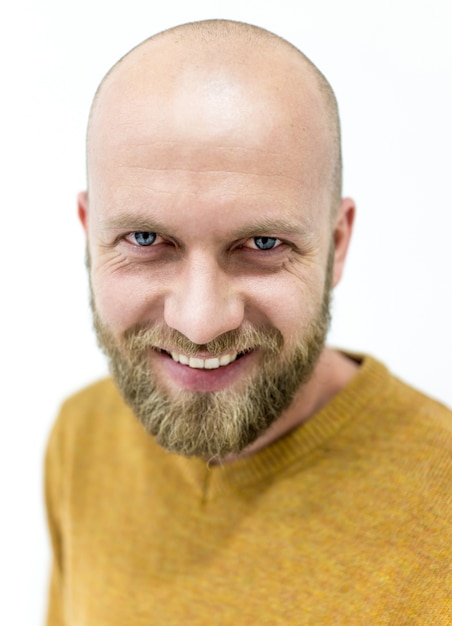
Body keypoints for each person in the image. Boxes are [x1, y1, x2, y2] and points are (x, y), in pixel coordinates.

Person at [45, 19, 452, 625]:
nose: (201, 321)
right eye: (146, 238)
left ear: (337, 244)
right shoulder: (82, 438)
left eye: (262, 243)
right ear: (89, 231)